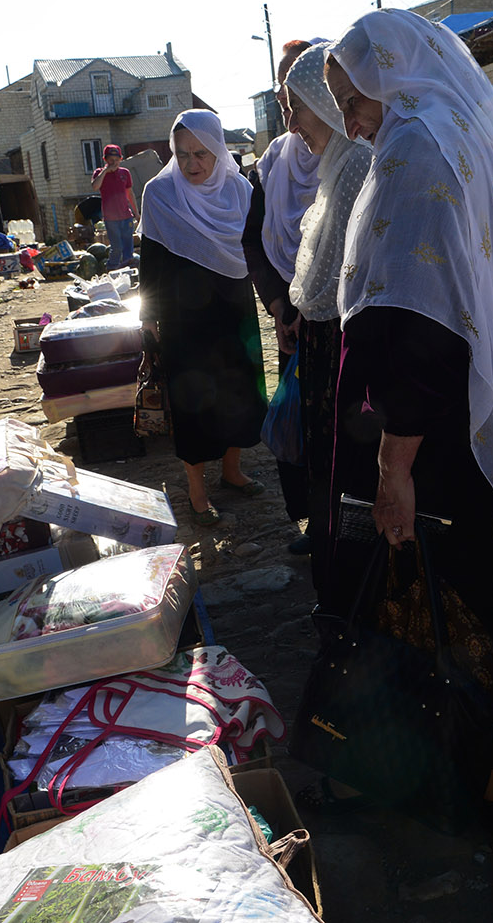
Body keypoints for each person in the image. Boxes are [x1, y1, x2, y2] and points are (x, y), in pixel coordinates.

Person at [313, 9, 493, 837]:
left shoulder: (416, 146)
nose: (352, 121)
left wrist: (393, 471)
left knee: (429, 610)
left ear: (392, 75)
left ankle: (420, 778)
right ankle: (490, 785)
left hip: (430, 438)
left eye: (355, 98)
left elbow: (419, 330)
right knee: (471, 596)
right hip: (475, 420)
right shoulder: (472, 132)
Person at [138, 110, 267, 527]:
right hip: (182, 314)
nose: (192, 164)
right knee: (193, 399)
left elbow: (257, 251)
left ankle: (232, 470)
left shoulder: (241, 192)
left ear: (219, 151)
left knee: (239, 388)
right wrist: (149, 317)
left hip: (233, 306)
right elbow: (151, 260)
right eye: (182, 154)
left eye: (201, 153)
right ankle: (196, 490)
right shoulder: (160, 194)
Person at [282, 40, 373, 601]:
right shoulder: (338, 162)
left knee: (342, 468)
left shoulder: (357, 160)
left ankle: (346, 589)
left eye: (298, 106)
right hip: (324, 336)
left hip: (343, 338)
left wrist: (305, 308)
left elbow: (341, 272)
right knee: (327, 466)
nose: (292, 123)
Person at [242, 38, 319, 545]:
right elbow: (254, 241)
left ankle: (347, 518)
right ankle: (313, 521)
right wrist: (278, 305)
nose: (289, 107)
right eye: (283, 95)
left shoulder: (356, 155)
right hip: (290, 314)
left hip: (341, 314)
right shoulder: (272, 165)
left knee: (345, 423)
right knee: (297, 418)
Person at [90, 145, 139, 271]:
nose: (114, 162)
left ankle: (128, 272)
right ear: (105, 160)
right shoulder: (99, 173)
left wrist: (136, 213)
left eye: (116, 159)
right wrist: (105, 171)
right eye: (111, 160)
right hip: (111, 218)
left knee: (128, 247)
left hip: (126, 216)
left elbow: (130, 194)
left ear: (121, 159)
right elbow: (95, 186)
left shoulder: (125, 173)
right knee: (116, 247)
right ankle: (112, 270)